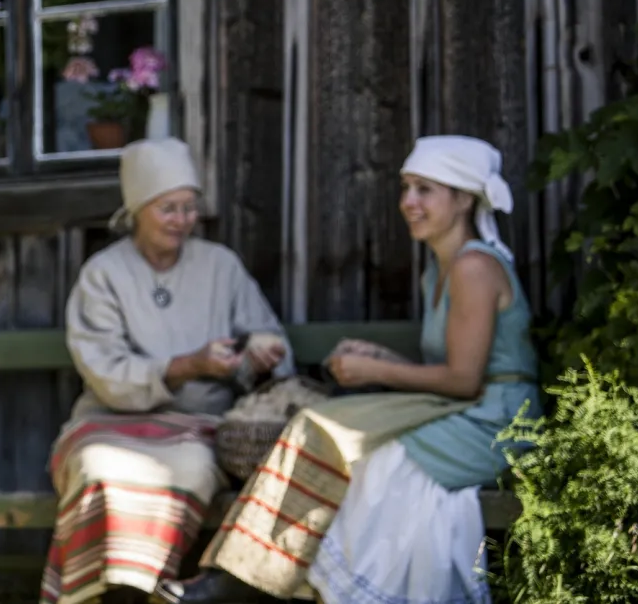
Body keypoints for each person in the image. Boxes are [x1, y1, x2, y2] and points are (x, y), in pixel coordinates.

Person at [157, 135, 540, 604]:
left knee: (360, 456)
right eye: (406, 188)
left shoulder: (473, 268)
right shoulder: (438, 269)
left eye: (425, 190)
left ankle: (260, 586)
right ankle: (249, 576)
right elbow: (457, 367)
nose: (409, 203)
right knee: (321, 428)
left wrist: (370, 370)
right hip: (467, 408)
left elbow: (464, 381)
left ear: (463, 200)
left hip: (499, 422)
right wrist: (383, 361)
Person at [38, 137, 293, 604]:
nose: (183, 220)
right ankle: (112, 592)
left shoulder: (221, 265)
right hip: (108, 420)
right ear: (138, 209)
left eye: (190, 208)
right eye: (168, 209)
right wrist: (185, 365)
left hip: (198, 426)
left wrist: (261, 355)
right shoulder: (105, 273)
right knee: (98, 469)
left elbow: (267, 336)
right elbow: (104, 369)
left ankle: (136, 589)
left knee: (191, 467)